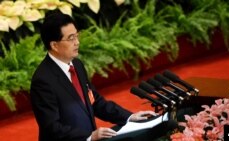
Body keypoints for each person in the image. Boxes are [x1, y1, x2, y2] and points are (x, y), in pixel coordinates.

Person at [30, 11, 157, 141]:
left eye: (77, 36)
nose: (77, 42)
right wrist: (89, 136)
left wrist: (129, 117)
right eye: (71, 38)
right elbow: (52, 127)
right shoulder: (43, 81)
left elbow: (94, 102)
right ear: (54, 45)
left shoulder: (77, 65)